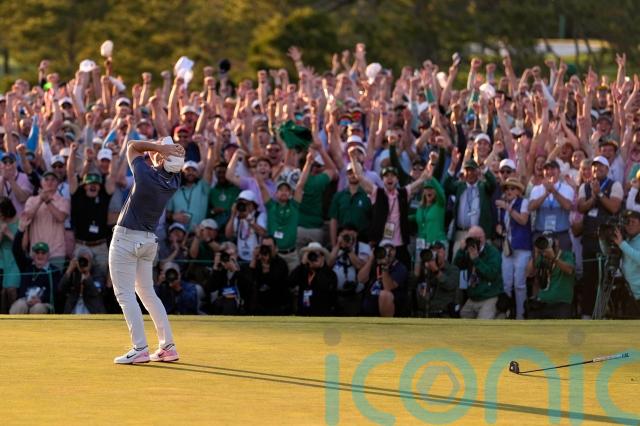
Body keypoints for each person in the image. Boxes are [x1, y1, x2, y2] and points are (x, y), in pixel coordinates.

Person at [109, 138, 185, 364]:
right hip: (148, 242)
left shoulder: (145, 176)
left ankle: (140, 348)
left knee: (124, 294)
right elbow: (155, 158)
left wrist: (159, 148)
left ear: (161, 159)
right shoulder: (175, 180)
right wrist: (162, 150)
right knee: (147, 293)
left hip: (126, 239)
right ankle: (167, 347)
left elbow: (132, 145)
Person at [577, 156, 623, 318]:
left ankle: (602, 313)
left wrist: (600, 194)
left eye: (601, 166)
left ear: (607, 168)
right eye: (595, 166)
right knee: (589, 278)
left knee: (605, 279)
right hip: (589, 239)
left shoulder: (615, 185)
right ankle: (587, 314)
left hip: (606, 241)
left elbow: (614, 207)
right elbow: (581, 207)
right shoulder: (585, 186)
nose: (597, 169)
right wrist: (593, 197)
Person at [444, 156, 497, 254]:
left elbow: (493, 183)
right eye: (467, 170)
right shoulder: (460, 186)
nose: (470, 173)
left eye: (472, 170)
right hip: (461, 234)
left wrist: (483, 167)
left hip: (479, 234)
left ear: (478, 172)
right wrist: (453, 166)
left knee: (479, 261)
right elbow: (446, 186)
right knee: (458, 260)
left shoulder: (483, 187)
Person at [495, 177, 532, 319]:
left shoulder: (523, 202)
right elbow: (503, 225)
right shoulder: (504, 206)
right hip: (508, 248)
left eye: (512, 188)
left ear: (518, 191)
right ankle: (507, 313)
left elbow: (523, 220)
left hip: (522, 248)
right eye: (507, 189)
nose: (508, 191)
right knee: (506, 283)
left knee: (519, 284)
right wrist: (500, 228)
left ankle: (521, 315)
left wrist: (508, 208)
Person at [453, 226, 503, 319]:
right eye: (470, 238)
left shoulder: (493, 252)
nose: (473, 242)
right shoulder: (468, 251)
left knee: (482, 325)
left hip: (489, 297)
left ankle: (500, 315)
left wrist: (476, 260)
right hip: (473, 298)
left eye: (475, 238)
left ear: (482, 238)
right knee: (462, 320)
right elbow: (456, 267)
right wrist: (461, 251)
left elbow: (492, 274)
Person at [526, 233, 576, 319]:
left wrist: (554, 258)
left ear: (557, 242)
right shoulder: (542, 257)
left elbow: (569, 270)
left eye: (549, 241)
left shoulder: (567, 255)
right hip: (542, 303)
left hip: (561, 303)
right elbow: (529, 273)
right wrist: (536, 253)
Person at [10, 233, 62, 315]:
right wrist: (20, 231)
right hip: (25, 300)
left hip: (43, 303)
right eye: (37, 252)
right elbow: (16, 250)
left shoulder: (54, 271)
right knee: (19, 305)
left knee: (37, 308)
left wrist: (41, 299)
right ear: (33, 254)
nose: (40, 255)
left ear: (48, 255)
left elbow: (56, 292)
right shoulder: (26, 265)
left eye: (43, 253)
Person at [327, 224, 371, 315]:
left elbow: (359, 266)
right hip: (336, 294)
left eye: (350, 234)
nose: (347, 237)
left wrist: (350, 249)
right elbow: (329, 264)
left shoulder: (364, 247)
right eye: (344, 235)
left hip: (355, 295)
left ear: (356, 234)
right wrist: (338, 245)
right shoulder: (336, 248)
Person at [358, 239, 409, 317]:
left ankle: (385, 324)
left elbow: (388, 287)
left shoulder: (400, 267)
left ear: (395, 251)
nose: (388, 252)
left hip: (390, 307)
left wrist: (385, 267)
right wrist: (371, 259)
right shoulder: (374, 264)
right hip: (370, 307)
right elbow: (360, 279)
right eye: (384, 249)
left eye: (391, 249)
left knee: (385, 294)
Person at [289, 242, 337, 316]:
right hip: (303, 315)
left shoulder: (330, 274)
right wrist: (302, 264)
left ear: (322, 257)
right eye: (311, 255)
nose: (313, 258)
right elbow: (291, 282)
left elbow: (325, 287)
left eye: (316, 255)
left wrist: (321, 268)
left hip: (321, 316)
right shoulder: (303, 271)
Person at [413, 241, 459, 317]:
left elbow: (450, 285)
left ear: (444, 253)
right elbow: (412, 286)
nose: (436, 255)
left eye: (438, 252)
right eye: (433, 253)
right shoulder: (425, 269)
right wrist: (419, 269)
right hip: (424, 313)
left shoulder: (453, 269)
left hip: (443, 314)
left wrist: (436, 271)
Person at [248, 236, 290, 314]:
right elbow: (250, 279)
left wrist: (266, 265)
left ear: (276, 248)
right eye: (264, 246)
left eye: (269, 247)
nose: (266, 249)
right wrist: (254, 258)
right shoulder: (258, 262)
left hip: (277, 306)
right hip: (259, 306)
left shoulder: (281, 263)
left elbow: (275, 282)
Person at [206, 242, 251, 314]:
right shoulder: (220, 271)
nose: (229, 258)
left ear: (237, 254)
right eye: (226, 255)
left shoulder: (244, 269)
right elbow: (210, 288)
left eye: (231, 254)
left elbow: (248, 289)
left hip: (240, 305)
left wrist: (235, 270)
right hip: (222, 304)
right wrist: (215, 267)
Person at [59, 248, 106, 314]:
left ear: (91, 261)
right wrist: (69, 270)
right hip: (74, 307)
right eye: (81, 260)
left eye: (87, 260)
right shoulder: (74, 271)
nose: (84, 263)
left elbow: (95, 292)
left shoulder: (97, 272)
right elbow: (61, 289)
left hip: (92, 308)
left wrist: (87, 275)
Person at [612, 210, 640, 307]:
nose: (630, 225)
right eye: (627, 222)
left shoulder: (623, 243)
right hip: (631, 295)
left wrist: (622, 244)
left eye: (633, 222)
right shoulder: (626, 241)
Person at [0, 197, 20, 313]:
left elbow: (22, 247)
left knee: (11, 290)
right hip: (2, 259)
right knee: (2, 293)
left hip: (15, 259)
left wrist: (8, 232)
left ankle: (15, 317)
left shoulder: (19, 222)